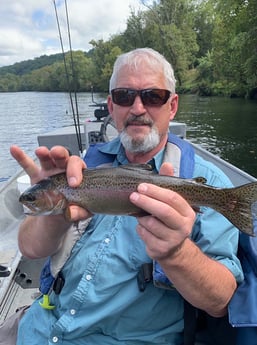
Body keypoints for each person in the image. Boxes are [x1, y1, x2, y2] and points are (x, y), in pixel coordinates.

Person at [10, 48, 243, 345]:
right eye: (123, 96)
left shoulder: (208, 183)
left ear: (172, 106)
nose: (137, 108)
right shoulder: (79, 168)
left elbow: (221, 301)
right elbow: (29, 249)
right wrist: (54, 212)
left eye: (153, 96)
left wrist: (175, 253)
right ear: (111, 106)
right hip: (40, 327)